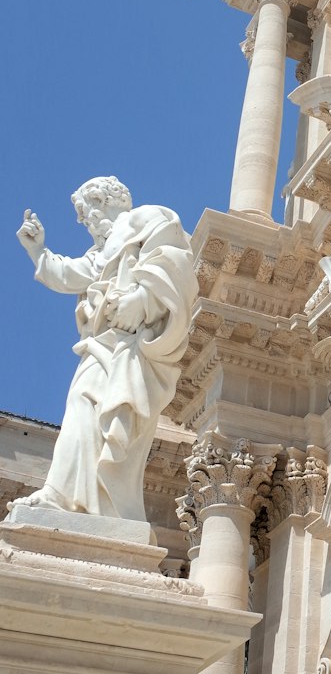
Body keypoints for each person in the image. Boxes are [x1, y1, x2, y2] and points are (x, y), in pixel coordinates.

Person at [11, 176, 197, 522]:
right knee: (82, 403)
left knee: (94, 405)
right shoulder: (102, 252)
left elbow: (178, 265)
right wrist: (38, 252)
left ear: (106, 200)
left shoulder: (149, 219)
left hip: (131, 343)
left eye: (85, 210)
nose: (84, 220)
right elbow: (73, 274)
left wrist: (142, 300)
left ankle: (83, 498)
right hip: (105, 343)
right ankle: (73, 497)